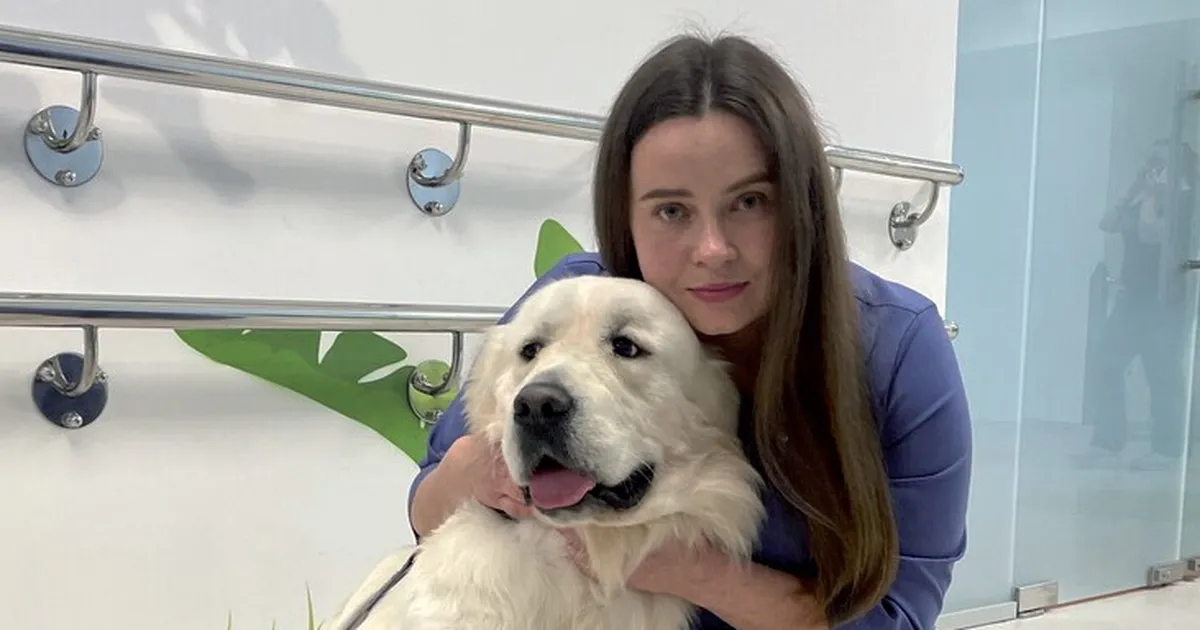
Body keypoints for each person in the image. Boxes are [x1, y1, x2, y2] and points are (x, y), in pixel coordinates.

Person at [407, 32, 972, 630]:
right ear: (624, 216)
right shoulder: (571, 304)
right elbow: (425, 513)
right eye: (671, 210)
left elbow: (900, 618)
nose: (712, 249)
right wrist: (471, 466)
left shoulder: (899, 350)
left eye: (749, 202)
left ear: (802, 205)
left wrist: (694, 572)